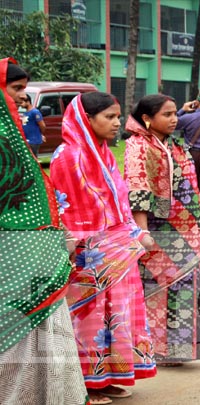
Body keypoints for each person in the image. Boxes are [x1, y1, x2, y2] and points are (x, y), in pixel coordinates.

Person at [51, 92, 156, 404]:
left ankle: (107, 377)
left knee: (116, 317)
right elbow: (65, 208)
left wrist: (136, 232)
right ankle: (85, 383)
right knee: (89, 318)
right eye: (109, 117)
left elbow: (118, 203)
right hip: (87, 254)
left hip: (116, 250)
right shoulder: (68, 156)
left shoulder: (105, 154)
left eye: (117, 116)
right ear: (87, 119)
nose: (117, 123)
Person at [0, 57, 88, 405]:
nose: (23, 99)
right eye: (16, 89)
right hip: (11, 260)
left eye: (24, 90)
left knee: (43, 332)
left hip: (34, 258)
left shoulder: (15, 139)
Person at [124, 94, 200, 365]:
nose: (174, 119)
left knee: (187, 286)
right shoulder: (138, 146)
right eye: (167, 114)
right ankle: (156, 350)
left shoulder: (176, 146)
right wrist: (142, 232)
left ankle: (180, 349)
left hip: (187, 230)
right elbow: (137, 189)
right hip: (159, 231)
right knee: (159, 289)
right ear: (147, 119)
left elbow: (191, 186)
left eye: (175, 113)